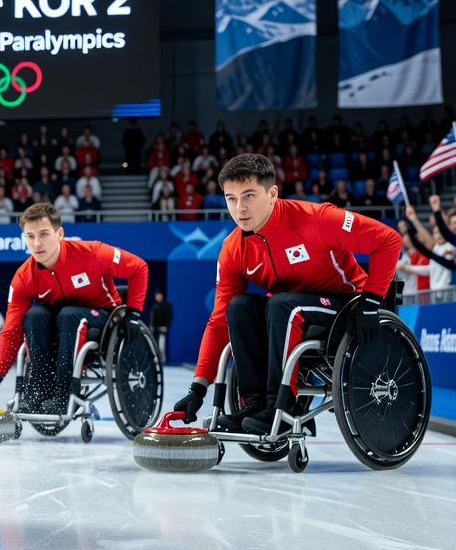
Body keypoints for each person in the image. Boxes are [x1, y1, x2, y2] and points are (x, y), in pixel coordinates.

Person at [169, 154, 402, 435]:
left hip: (343, 304)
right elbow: (218, 322)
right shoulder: (233, 248)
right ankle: (254, 405)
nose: (239, 208)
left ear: (272, 194)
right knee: (238, 307)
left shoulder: (317, 219)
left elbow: (388, 240)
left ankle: (281, 407)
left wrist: (371, 301)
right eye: (231, 199)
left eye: (249, 196)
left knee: (282, 305)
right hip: (290, 310)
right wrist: (198, 388)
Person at [0, 202, 149, 416]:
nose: (37, 243)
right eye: (30, 236)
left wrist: (133, 314)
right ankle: (39, 391)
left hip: (103, 316)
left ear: (60, 233)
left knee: (70, 316)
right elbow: (10, 331)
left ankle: (66, 393)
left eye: (44, 234)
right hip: (61, 322)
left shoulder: (92, 253)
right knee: (33, 316)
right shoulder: (23, 276)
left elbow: (139, 267)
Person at [149, 289, 173, 363]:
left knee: (161, 346)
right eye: (156, 295)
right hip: (154, 329)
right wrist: (151, 326)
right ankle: (155, 360)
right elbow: (151, 317)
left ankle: (162, 361)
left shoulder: (167, 306)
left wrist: (166, 326)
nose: (158, 297)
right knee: (154, 345)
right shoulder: (154, 306)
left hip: (162, 329)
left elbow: (169, 317)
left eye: (159, 295)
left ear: (162, 295)